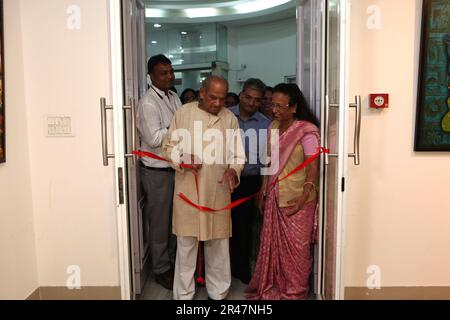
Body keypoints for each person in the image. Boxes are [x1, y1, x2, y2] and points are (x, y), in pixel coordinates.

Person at [163, 75, 245, 300]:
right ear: (202, 92)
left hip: (218, 191)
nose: (217, 103)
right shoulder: (183, 114)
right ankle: (184, 296)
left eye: (222, 99)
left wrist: (233, 171)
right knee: (186, 244)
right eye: (212, 98)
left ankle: (218, 293)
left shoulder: (230, 119)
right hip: (187, 190)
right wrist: (182, 157)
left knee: (218, 245)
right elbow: (167, 147)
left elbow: (238, 156)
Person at [246, 83, 320, 300]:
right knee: (274, 248)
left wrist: (304, 195)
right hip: (275, 196)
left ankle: (295, 292)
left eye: (281, 106)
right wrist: (262, 191)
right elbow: (268, 162)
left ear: (294, 107)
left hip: (299, 199)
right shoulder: (272, 128)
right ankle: (275, 285)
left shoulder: (306, 130)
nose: (275, 110)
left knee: (297, 252)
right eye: (273, 105)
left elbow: (312, 165)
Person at [136, 54, 181, 290]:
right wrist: (176, 128)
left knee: (175, 220)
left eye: (170, 72)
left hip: (174, 168)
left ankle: (172, 263)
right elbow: (153, 138)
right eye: (163, 73)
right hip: (156, 172)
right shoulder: (148, 103)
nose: (169, 76)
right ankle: (161, 269)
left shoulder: (173, 96)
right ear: (151, 76)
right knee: (160, 223)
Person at [229, 78, 271, 284]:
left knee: (244, 227)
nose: (251, 103)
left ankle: (241, 268)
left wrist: (263, 189)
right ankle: (218, 270)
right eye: (248, 97)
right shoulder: (225, 116)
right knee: (219, 226)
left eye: (257, 100)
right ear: (240, 95)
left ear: (262, 101)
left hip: (249, 182)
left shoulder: (266, 124)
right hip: (224, 180)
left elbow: (266, 161)